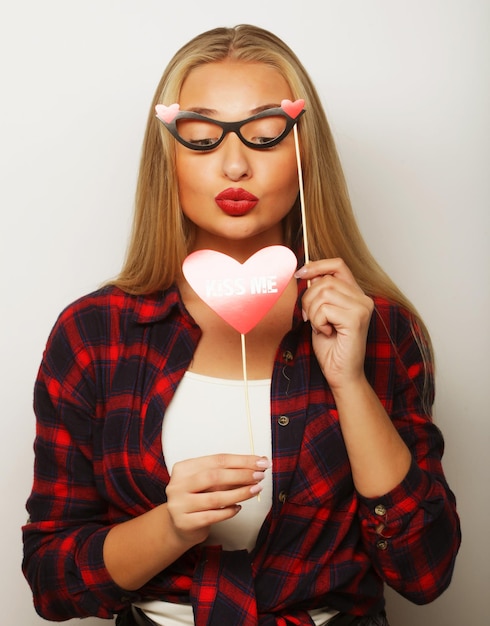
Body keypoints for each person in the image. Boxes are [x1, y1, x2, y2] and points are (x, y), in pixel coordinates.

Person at [22, 24, 461, 626]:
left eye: (263, 136)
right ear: (168, 158)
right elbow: (51, 584)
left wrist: (351, 383)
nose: (234, 165)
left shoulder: (381, 326)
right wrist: (171, 526)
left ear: (304, 155)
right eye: (201, 138)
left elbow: (426, 572)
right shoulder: (93, 334)